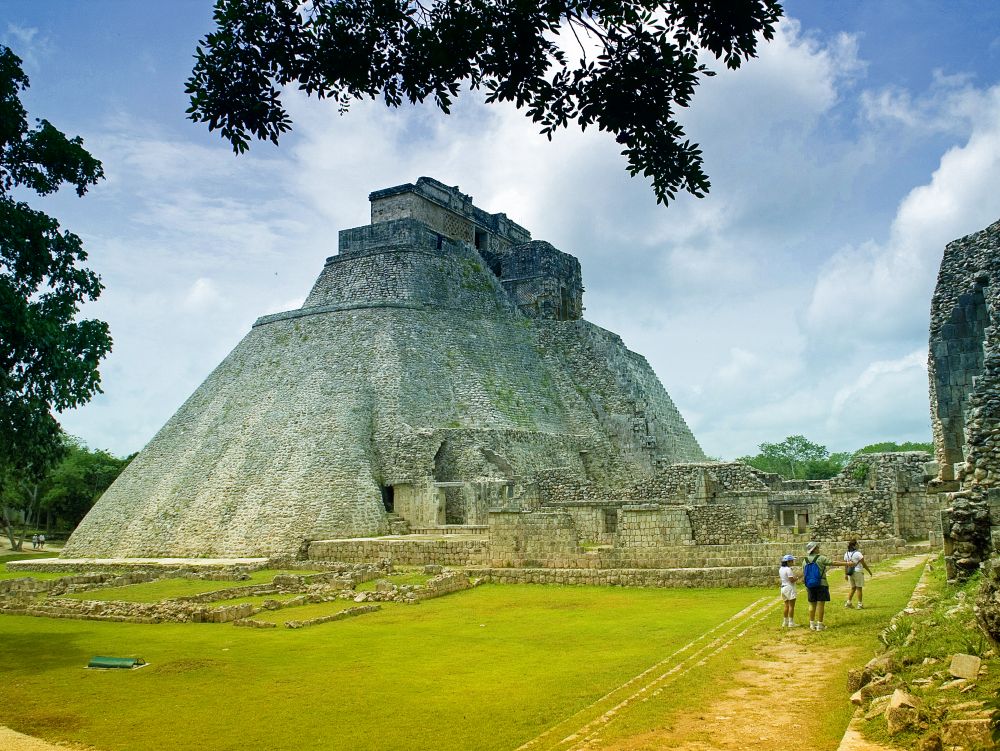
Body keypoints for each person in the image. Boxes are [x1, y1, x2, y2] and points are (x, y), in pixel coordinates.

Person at [802, 541, 850, 631]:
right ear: (815, 549)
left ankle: (812, 624)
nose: (818, 549)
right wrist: (847, 564)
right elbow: (833, 563)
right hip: (821, 584)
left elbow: (804, 573)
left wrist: (807, 585)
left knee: (812, 605)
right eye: (817, 547)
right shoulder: (821, 558)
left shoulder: (805, 560)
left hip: (810, 585)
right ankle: (820, 625)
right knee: (820, 604)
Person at [843, 539, 873, 609]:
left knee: (853, 588)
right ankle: (860, 604)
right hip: (858, 571)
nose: (858, 545)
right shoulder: (858, 553)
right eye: (857, 544)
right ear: (854, 545)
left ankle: (848, 602)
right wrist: (869, 571)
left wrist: (846, 574)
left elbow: (846, 565)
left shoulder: (846, 554)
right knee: (859, 588)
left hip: (850, 572)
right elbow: (864, 564)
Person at [779, 554, 798, 627]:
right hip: (789, 588)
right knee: (791, 606)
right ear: (788, 562)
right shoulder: (788, 569)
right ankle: (791, 622)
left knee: (786, 605)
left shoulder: (781, 569)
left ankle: (785, 622)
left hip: (783, 588)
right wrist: (797, 577)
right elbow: (791, 580)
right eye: (792, 561)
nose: (793, 562)